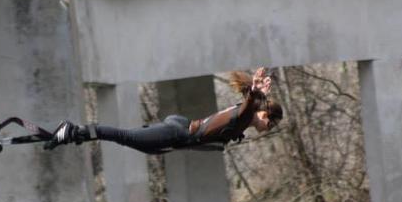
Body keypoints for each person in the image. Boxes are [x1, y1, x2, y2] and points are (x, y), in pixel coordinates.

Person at [45, 67, 283, 154]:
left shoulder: (242, 117)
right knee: (123, 136)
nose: (266, 129)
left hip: (177, 134)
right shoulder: (245, 116)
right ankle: (73, 131)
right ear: (263, 115)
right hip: (178, 133)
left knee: (132, 141)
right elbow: (248, 105)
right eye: (269, 124)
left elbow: (245, 106)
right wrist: (256, 92)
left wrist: (255, 94)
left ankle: (78, 135)